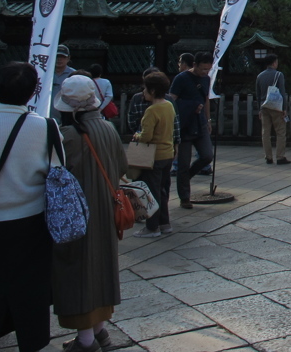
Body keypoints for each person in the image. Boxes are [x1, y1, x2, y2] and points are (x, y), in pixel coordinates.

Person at [52, 75, 128, 352]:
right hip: (106, 210)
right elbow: (121, 167)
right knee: (102, 266)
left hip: (77, 214)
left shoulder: (69, 136)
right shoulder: (108, 128)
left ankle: (85, 339)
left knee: (78, 270)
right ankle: (100, 330)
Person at [0, 63, 57, 352]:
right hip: (29, 220)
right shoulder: (44, 126)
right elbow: (58, 172)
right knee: (29, 287)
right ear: (33, 91)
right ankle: (32, 341)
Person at [133, 71, 176, 238]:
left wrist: (137, 135)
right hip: (168, 153)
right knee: (162, 190)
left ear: (152, 91)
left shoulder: (152, 111)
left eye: (145, 89)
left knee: (152, 191)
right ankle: (165, 223)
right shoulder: (169, 105)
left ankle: (152, 227)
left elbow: (146, 137)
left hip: (154, 156)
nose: (143, 92)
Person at [170, 51, 214, 208]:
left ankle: (186, 176)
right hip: (185, 123)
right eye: (202, 69)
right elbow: (172, 100)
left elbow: (206, 99)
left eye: (208, 69)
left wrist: (208, 119)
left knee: (207, 155)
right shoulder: (181, 78)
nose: (205, 72)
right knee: (183, 161)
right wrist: (188, 107)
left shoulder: (207, 79)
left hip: (200, 121)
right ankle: (185, 197)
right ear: (194, 65)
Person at [256, 54, 289, 166]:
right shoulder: (279, 75)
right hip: (276, 106)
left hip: (264, 105)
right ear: (274, 62)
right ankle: (280, 156)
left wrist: (259, 109)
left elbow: (258, 93)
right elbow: (282, 92)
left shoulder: (260, 76)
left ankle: (268, 156)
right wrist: (284, 108)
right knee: (280, 131)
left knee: (266, 132)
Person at [51, 44, 74, 113]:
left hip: (66, 113)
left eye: (63, 57)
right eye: (57, 56)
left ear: (68, 58)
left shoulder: (74, 75)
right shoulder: (46, 74)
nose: (59, 59)